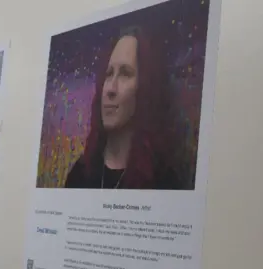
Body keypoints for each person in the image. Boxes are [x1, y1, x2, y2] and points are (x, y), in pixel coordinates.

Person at [65, 27, 189, 190]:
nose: (111, 89)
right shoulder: (80, 174)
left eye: (125, 74)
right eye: (109, 74)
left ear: (145, 88)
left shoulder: (164, 182)